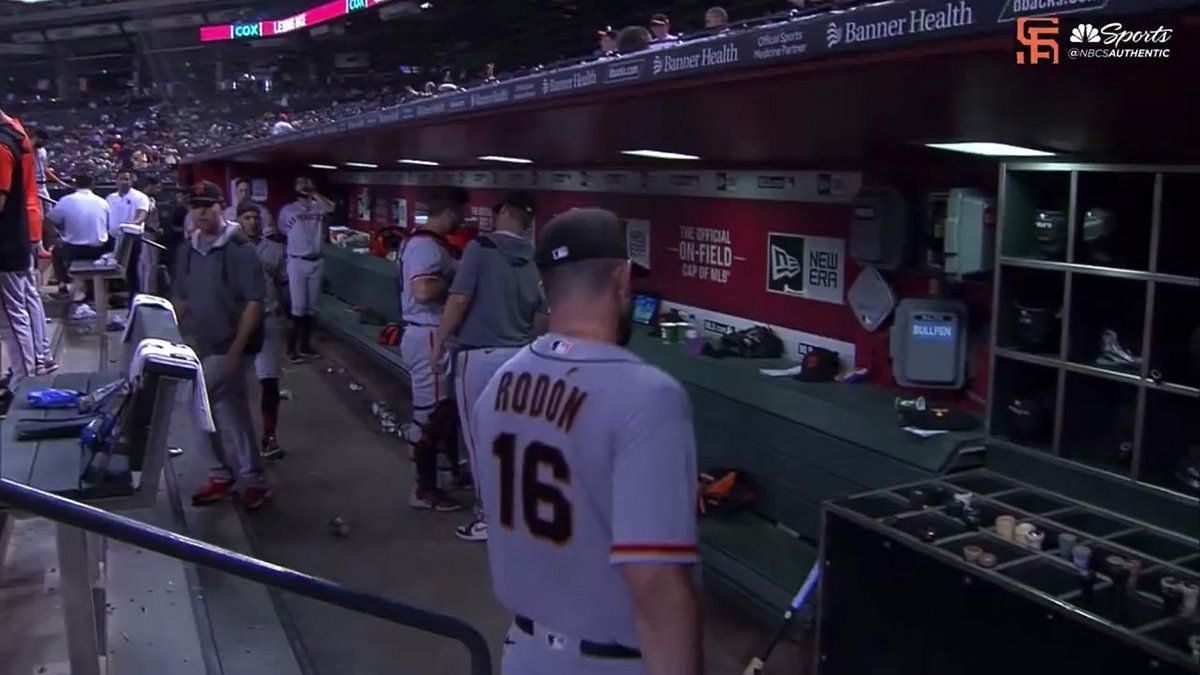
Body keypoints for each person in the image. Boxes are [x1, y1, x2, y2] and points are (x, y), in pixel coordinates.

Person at [471, 209, 702, 675]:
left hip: (523, 653)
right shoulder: (648, 396)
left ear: (545, 286)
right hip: (609, 663)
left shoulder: (498, 384)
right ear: (621, 278)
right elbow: (655, 585)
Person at [431, 192, 548, 542]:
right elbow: (541, 315)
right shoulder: (533, 257)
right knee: (515, 441)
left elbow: (459, 298)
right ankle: (520, 513)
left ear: (507, 214)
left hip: (479, 358)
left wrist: (438, 342)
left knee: (480, 440)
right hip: (520, 358)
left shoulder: (479, 249)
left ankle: (489, 518)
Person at [173, 181, 271, 511]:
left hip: (235, 344)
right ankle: (244, 477)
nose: (201, 211)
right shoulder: (188, 249)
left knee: (198, 400)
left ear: (220, 208)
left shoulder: (239, 247)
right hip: (205, 341)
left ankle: (231, 473)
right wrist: (171, 336)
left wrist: (234, 353)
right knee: (230, 407)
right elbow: (182, 298)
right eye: (195, 205)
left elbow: (254, 304)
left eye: (208, 205)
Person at [399, 185, 470, 512]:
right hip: (428, 333)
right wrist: (460, 278)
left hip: (429, 333)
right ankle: (424, 490)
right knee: (430, 416)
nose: (465, 219)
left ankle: (445, 475)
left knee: (441, 412)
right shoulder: (425, 247)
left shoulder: (427, 243)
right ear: (450, 212)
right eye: (462, 213)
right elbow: (423, 291)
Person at [236, 200, 288, 460]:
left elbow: (282, 284)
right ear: (238, 221)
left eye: (256, 218)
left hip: (268, 318)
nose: (253, 222)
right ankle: (239, 440)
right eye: (247, 217)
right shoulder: (229, 250)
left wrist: (285, 317)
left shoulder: (274, 249)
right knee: (236, 385)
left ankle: (269, 436)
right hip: (238, 321)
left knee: (269, 381)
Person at [0, 109, 41, 391]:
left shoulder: (2, 145)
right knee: (13, 318)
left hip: (4, 245)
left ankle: (25, 383)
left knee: (13, 320)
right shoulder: (14, 136)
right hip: (14, 239)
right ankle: (20, 377)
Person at [277, 176, 333, 361]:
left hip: (316, 260)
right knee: (298, 307)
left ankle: (306, 346)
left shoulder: (318, 206)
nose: (303, 186)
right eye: (299, 183)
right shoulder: (288, 210)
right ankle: (292, 348)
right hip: (297, 260)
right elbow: (284, 230)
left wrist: (314, 192)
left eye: (305, 183)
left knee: (311, 308)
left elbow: (330, 208)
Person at [44, 166, 110, 302]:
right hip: (99, 249)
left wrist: (56, 236)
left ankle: (63, 287)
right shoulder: (103, 202)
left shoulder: (66, 200)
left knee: (56, 251)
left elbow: (48, 221)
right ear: (92, 185)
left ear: (75, 184)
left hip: (74, 250)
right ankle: (89, 292)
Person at [106, 168, 150, 294]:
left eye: (127, 179)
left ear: (132, 181)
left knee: (132, 270)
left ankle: (134, 297)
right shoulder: (110, 198)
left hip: (132, 239)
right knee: (110, 270)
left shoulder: (140, 197)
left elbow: (140, 218)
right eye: (121, 179)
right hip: (113, 239)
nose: (124, 182)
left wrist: (125, 227)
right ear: (116, 181)